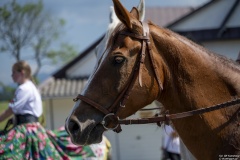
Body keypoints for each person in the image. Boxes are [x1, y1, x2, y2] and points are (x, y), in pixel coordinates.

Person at [0, 61, 95, 159]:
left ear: (22, 72)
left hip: (26, 128)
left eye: (14, 72)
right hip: (33, 127)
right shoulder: (31, 87)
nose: (12, 75)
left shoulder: (24, 89)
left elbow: (10, 110)